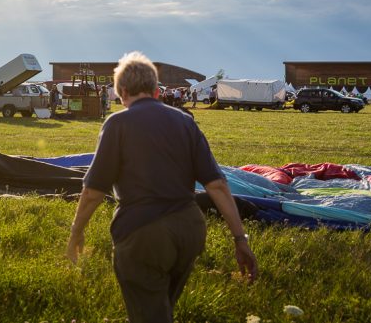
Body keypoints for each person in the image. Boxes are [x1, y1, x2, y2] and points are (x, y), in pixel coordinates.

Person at [66, 52, 257, 323]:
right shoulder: (185, 121)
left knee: (150, 314)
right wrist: (240, 240)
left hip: (144, 233)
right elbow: (217, 184)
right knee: (162, 306)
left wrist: (76, 231)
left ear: (121, 92)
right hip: (190, 229)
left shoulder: (117, 123)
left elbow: (94, 191)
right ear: (156, 90)